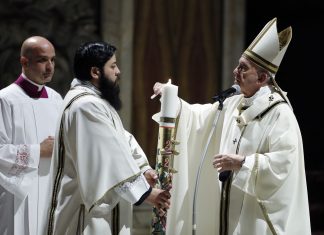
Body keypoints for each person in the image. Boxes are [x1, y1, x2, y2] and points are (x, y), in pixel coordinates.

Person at [151, 18, 311, 235]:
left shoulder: (280, 114)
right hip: (226, 207)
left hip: (255, 214)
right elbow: (198, 118)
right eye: (238, 65)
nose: (235, 72)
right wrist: (171, 100)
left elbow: (285, 164)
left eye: (243, 68)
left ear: (263, 78)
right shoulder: (233, 103)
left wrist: (244, 163)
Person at [44, 41, 171, 235]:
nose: (118, 71)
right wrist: (144, 193)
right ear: (95, 72)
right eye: (112, 66)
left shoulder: (93, 101)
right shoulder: (85, 105)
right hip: (85, 212)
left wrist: (143, 169)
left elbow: (121, 140)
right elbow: (110, 155)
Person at [0, 36, 63, 235]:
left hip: (50, 191)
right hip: (17, 195)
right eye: (42, 60)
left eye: (52, 60)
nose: (50, 67)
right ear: (24, 62)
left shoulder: (56, 99)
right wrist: (38, 151)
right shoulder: (5, 99)